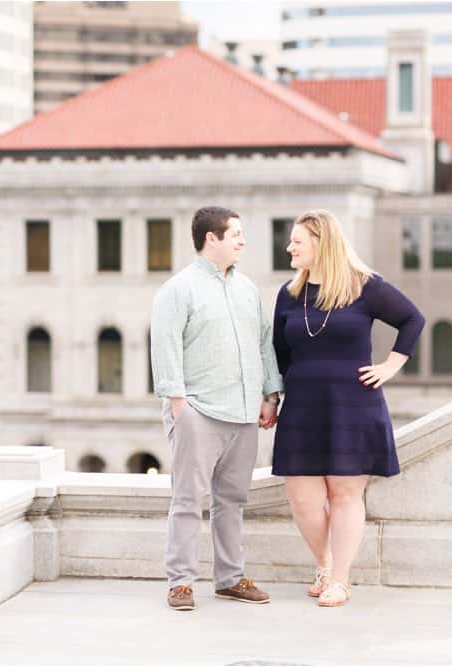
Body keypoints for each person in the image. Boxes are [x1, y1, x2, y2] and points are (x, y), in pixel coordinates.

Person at [271, 209, 424, 608]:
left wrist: (391, 366)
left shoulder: (365, 286)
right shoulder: (287, 294)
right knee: (300, 496)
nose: (289, 247)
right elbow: (279, 353)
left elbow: (412, 319)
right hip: (302, 405)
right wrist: (273, 397)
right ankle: (324, 563)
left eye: (297, 242)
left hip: (353, 404)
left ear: (322, 244)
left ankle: (340, 579)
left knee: (344, 493)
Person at [151, 206, 283, 612]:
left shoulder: (247, 289)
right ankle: (181, 583)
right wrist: (178, 405)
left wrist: (270, 392)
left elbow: (264, 343)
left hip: (244, 414)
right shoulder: (179, 289)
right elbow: (165, 344)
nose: (243, 241)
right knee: (188, 500)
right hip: (199, 412)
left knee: (233, 500)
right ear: (212, 238)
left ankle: (229, 578)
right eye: (236, 234)